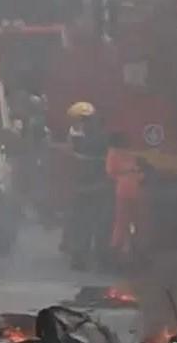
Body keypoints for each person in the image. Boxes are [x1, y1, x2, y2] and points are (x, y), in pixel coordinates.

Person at [62, 101, 112, 270]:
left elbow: (79, 159)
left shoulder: (90, 140)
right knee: (96, 224)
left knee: (85, 224)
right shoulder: (98, 137)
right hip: (95, 188)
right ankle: (97, 257)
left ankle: (82, 257)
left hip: (90, 188)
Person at [106, 132, 146, 258]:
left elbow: (111, 172)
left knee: (123, 221)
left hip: (125, 191)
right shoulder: (124, 155)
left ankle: (120, 247)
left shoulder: (116, 154)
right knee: (127, 221)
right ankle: (122, 247)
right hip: (131, 191)